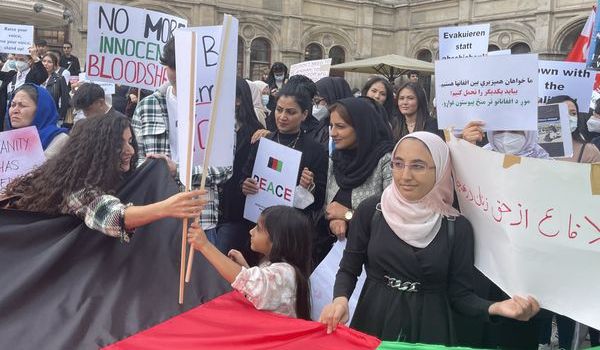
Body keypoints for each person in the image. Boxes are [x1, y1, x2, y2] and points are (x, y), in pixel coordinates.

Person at [319, 132, 540, 345]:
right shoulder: (372, 211)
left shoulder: (456, 227)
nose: (405, 175)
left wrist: (497, 308)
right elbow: (349, 268)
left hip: (430, 328)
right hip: (373, 320)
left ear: (441, 169)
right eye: (398, 163)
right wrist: (340, 298)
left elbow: (460, 296)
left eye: (418, 166)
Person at [2, 115, 207, 242]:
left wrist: (164, 170)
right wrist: (165, 208)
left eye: (129, 141)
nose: (130, 149)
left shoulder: (107, 175)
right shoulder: (76, 189)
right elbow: (112, 217)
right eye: (120, 143)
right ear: (98, 150)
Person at [132, 36, 231, 245]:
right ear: (166, 66)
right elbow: (134, 160)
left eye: (186, 69)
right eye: (174, 68)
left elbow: (225, 169)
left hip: (200, 218)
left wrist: (178, 170)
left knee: (198, 278)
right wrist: (155, 168)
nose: (180, 75)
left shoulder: (217, 109)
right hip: (157, 213)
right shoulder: (147, 106)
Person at [187, 206, 312, 319]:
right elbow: (259, 288)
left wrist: (205, 246)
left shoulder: (286, 273)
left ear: (277, 239)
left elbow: (250, 282)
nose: (251, 231)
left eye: (258, 228)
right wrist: (245, 267)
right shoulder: (275, 267)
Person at [242, 79, 328, 222]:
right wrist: (246, 186)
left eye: (291, 112)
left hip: (292, 229)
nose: (282, 117)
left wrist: (308, 187)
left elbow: (319, 200)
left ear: (304, 114)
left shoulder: (315, 150)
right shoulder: (263, 142)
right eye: (279, 110)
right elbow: (245, 175)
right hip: (259, 224)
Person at [324, 97, 394, 244]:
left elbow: (392, 216)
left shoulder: (386, 160)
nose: (333, 133)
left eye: (341, 126)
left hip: (371, 251)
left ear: (361, 127)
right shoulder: (336, 157)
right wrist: (333, 220)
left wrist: (348, 215)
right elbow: (328, 206)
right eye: (332, 126)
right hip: (333, 250)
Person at [217, 79, 265, 258]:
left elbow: (254, 170)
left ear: (238, 100)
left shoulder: (255, 132)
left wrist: (243, 184)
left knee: (222, 260)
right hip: (209, 209)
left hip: (235, 213)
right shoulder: (212, 127)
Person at [6, 84, 68, 158]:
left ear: (41, 110)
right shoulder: (6, 143)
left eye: (22, 105)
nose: (14, 110)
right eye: (13, 105)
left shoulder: (60, 140)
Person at [546, 95, 600, 163]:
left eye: (573, 113)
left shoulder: (590, 152)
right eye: (562, 112)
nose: (569, 117)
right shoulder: (535, 148)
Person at [311, 76, 353, 148]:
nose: (314, 106)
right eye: (313, 102)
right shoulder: (321, 124)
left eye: (317, 101)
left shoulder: (355, 125)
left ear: (332, 97)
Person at [41, 53, 70, 122]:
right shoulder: (35, 77)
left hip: (51, 116)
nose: (46, 64)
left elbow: (64, 100)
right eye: (44, 61)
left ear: (55, 65)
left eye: (49, 62)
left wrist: (60, 117)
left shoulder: (59, 79)